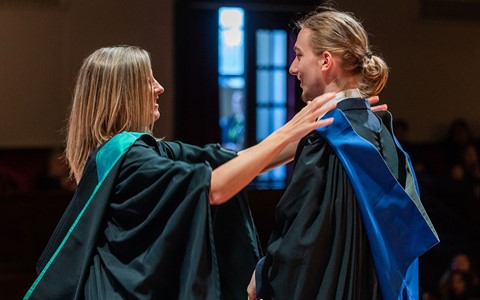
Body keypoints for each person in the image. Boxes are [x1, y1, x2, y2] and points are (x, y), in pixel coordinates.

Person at [22, 45, 336, 299]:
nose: (159, 88)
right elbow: (214, 189)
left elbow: (242, 161)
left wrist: (329, 130)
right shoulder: (128, 158)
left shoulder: (140, 151)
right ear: (123, 92)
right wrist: (289, 130)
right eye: (148, 80)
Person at [248, 5, 439, 300]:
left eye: (299, 55)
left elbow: (301, 244)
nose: (292, 68)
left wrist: (263, 275)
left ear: (326, 61)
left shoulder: (325, 144)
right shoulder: (384, 134)